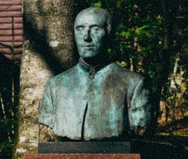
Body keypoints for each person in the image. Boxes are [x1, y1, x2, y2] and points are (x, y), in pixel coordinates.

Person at [38, 7, 152, 140]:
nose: (86, 37)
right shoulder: (55, 85)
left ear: (109, 34)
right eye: (80, 29)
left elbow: (141, 129)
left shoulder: (134, 84)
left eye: (95, 29)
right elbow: (47, 129)